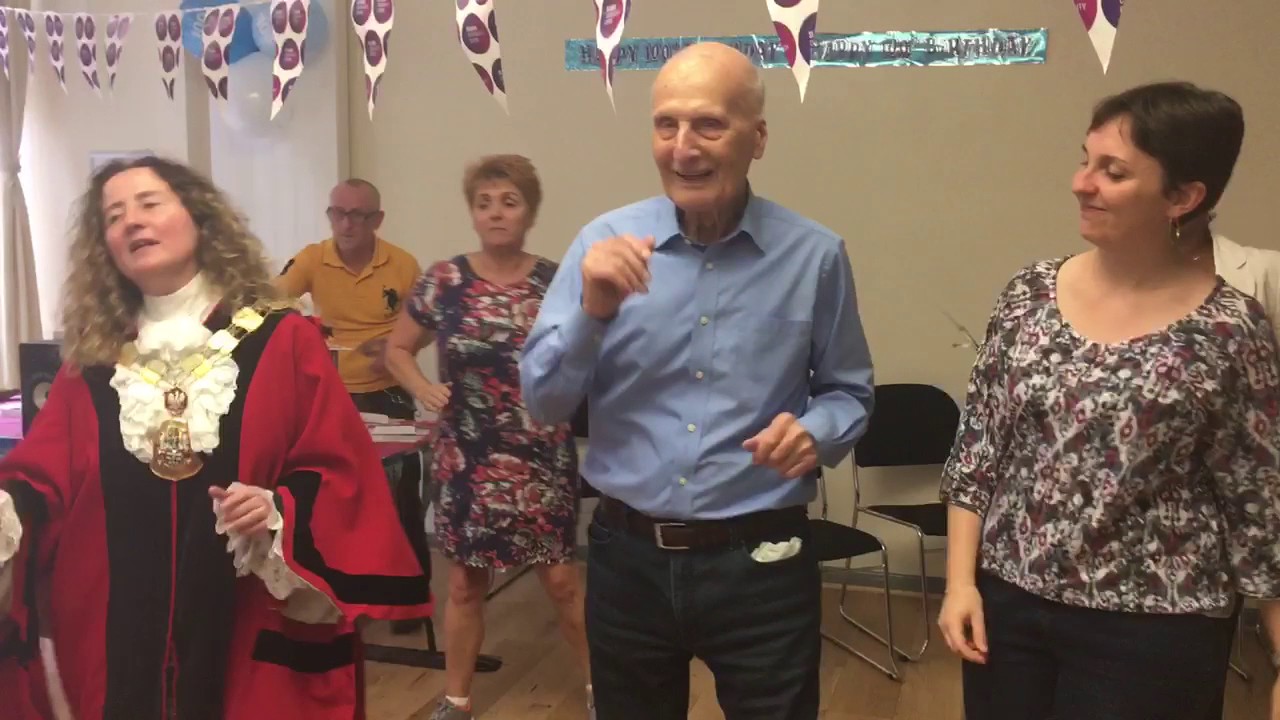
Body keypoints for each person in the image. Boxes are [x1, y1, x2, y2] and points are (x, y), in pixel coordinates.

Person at [0, 157, 433, 720]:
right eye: (114, 215)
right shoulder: (96, 361)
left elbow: (341, 472)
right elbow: (42, 472)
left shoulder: (282, 338)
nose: (131, 221)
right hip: (116, 633)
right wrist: (10, 505)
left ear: (201, 219)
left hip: (246, 624)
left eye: (150, 204)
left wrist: (278, 509)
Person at [520, 42, 875, 719]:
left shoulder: (815, 256)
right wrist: (593, 314)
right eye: (666, 125)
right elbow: (544, 402)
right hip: (627, 560)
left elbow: (850, 392)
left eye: (708, 124)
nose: (683, 147)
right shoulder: (604, 243)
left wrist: (816, 431)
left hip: (763, 560)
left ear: (758, 137)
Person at [937, 81, 1280, 720]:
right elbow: (978, 449)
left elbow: (1256, 500)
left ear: (1182, 196)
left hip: (1155, 632)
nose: (1081, 183)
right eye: (1085, 160)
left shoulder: (1232, 330)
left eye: (1113, 172)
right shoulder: (1030, 293)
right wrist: (961, 582)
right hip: (1010, 610)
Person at [383, 154, 589, 720]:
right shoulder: (445, 280)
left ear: (529, 211)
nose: (497, 213)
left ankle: (603, 692)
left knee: (563, 582)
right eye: (484, 203)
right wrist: (423, 388)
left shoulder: (556, 280)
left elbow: (592, 352)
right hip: (466, 455)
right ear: (473, 213)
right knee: (466, 585)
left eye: (509, 202)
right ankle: (456, 700)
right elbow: (397, 349)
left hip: (541, 453)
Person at [276, 178, 430, 633]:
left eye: (358, 215)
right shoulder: (311, 258)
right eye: (338, 213)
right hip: (330, 395)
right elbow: (268, 304)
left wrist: (395, 346)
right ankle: (338, 591)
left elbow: (427, 327)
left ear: (377, 220)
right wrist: (307, 335)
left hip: (388, 391)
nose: (346, 224)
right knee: (328, 495)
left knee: (399, 494)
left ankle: (410, 600)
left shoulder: (403, 265)